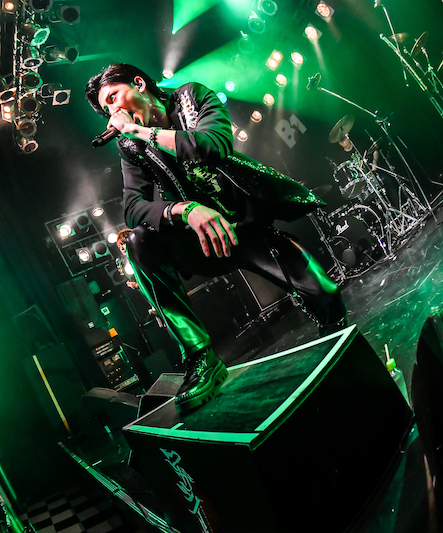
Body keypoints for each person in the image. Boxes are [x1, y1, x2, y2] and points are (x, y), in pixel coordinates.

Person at [85, 63, 347, 413]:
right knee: (138, 241)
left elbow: (212, 145)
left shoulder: (191, 97)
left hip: (247, 228)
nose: (113, 111)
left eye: (114, 98)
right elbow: (132, 207)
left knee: (326, 296)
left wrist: (138, 130)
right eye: (106, 109)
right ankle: (199, 356)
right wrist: (183, 210)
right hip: (201, 242)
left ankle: (342, 365)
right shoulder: (130, 146)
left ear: (139, 84)